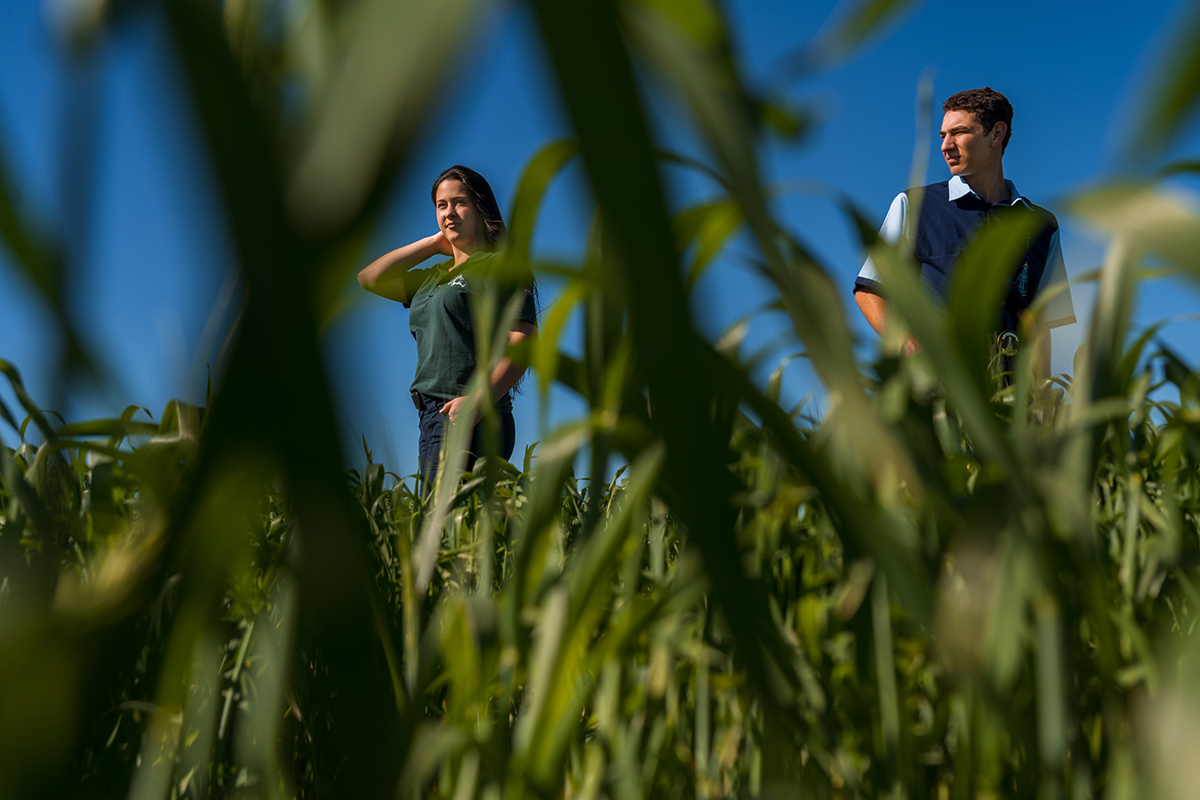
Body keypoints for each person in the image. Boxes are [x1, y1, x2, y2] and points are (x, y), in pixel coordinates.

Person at [853, 87, 1075, 376]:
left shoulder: (1042, 225)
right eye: (943, 135)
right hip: (940, 387)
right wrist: (916, 356)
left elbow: (1042, 322)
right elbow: (870, 291)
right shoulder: (915, 204)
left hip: (1013, 389)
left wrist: (1041, 393)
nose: (945, 146)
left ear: (996, 134)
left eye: (958, 133)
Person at [357, 165, 538, 488]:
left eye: (460, 202)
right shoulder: (433, 277)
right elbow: (369, 278)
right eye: (441, 205)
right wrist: (433, 243)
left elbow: (522, 340)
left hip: (471, 414)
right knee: (442, 517)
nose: (449, 212)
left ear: (481, 208)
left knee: (443, 516)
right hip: (431, 417)